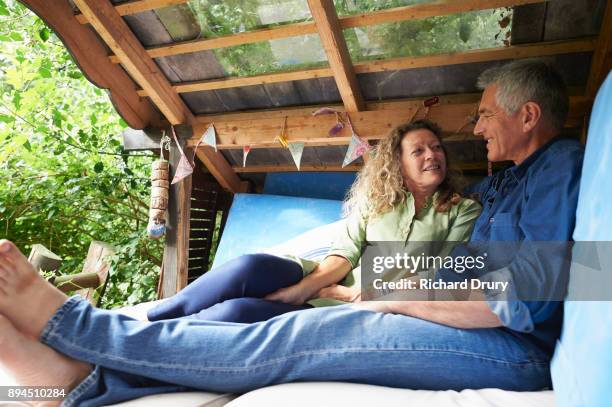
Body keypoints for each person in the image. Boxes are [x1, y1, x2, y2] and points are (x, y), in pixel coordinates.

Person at [0, 59, 584, 407]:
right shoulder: (505, 183)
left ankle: (74, 328)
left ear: (527, 115)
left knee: (290, 342)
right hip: (445, 308)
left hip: (511, 351)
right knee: (281, 315)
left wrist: (401, 292)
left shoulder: (560, 165)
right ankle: (80, 383)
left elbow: (539, 287)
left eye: (485, 114)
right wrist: (393, 282)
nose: (475, 126)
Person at [146, 119, 481, 323]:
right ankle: (157, 317)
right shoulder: (378, 202)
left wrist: (352, 296)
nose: (432, 155)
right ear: (399, 163)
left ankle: (163, 336)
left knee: (236, 313)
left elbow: (441, 272)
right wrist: (304, 289)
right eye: (418, 151)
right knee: (247, 267)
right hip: (324, 280)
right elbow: (345, 252)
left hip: (360, 306)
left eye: (436, 148)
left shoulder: (461, 209)